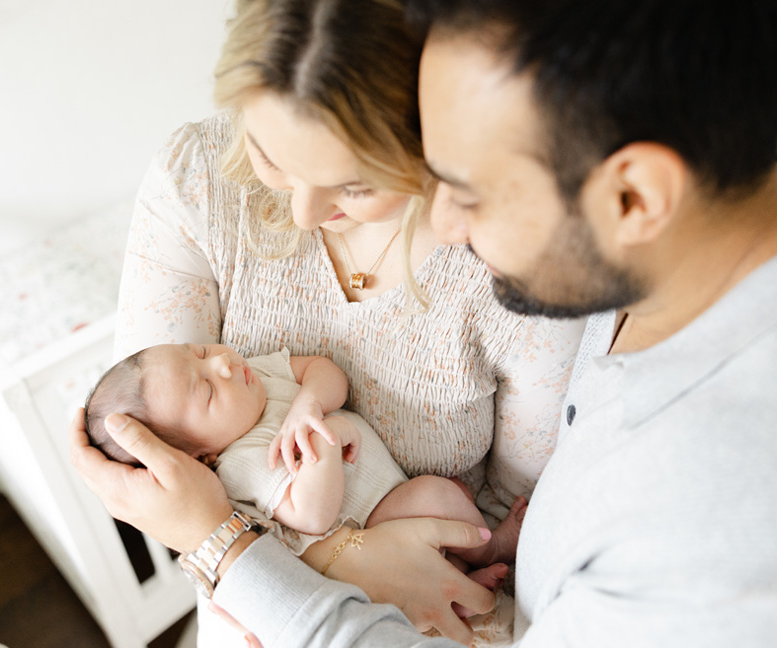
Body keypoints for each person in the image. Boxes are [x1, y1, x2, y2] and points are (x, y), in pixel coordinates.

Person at [74, 0, 777, 645]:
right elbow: (164, 483)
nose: (445, 223)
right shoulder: (627, 293)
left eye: (461, 187)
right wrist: (327, 555)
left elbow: (507, 534)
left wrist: (232, 543)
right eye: (269, 152)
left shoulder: (700, 533)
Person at [84, 343, 525, 590]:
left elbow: (323, 368)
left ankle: (465, 576)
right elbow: (313, 516)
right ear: (201, 457)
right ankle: (494, 548)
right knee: (438, 496)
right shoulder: (240, 463)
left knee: (450, 495)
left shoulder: (252, 376)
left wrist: (310, 401)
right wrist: (324, 441)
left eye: (198, 352)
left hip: (391, 492)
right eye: (206, 389)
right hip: (370, 527)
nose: (220, 362)